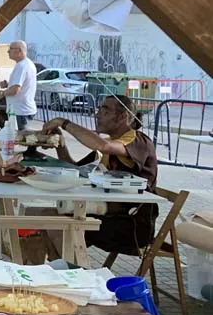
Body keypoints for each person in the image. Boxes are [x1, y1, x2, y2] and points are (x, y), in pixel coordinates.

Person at [43, 94, 158, 257]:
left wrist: (64, 122)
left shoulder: (137, 141)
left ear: (123, 117)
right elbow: (76, 170)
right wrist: (60, 143)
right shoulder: (110, 145)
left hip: (132, 226)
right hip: (107, 214)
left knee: (57, 224)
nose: (97, 115)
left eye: (104, 111)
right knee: (39, 215)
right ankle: (57, 272)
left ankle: (74, 274)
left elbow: (102, 145)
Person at [0, 40, 37, 130]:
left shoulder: (22, 66)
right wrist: (8, 85)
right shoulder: (26, 64)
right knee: (21, 138)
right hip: (22, 110)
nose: (8, 51)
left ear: (19, 51)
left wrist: (2, 93)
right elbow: (20, 86)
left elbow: (15, 90)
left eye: (11, 49)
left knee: (20, 138)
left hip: (20, 111)